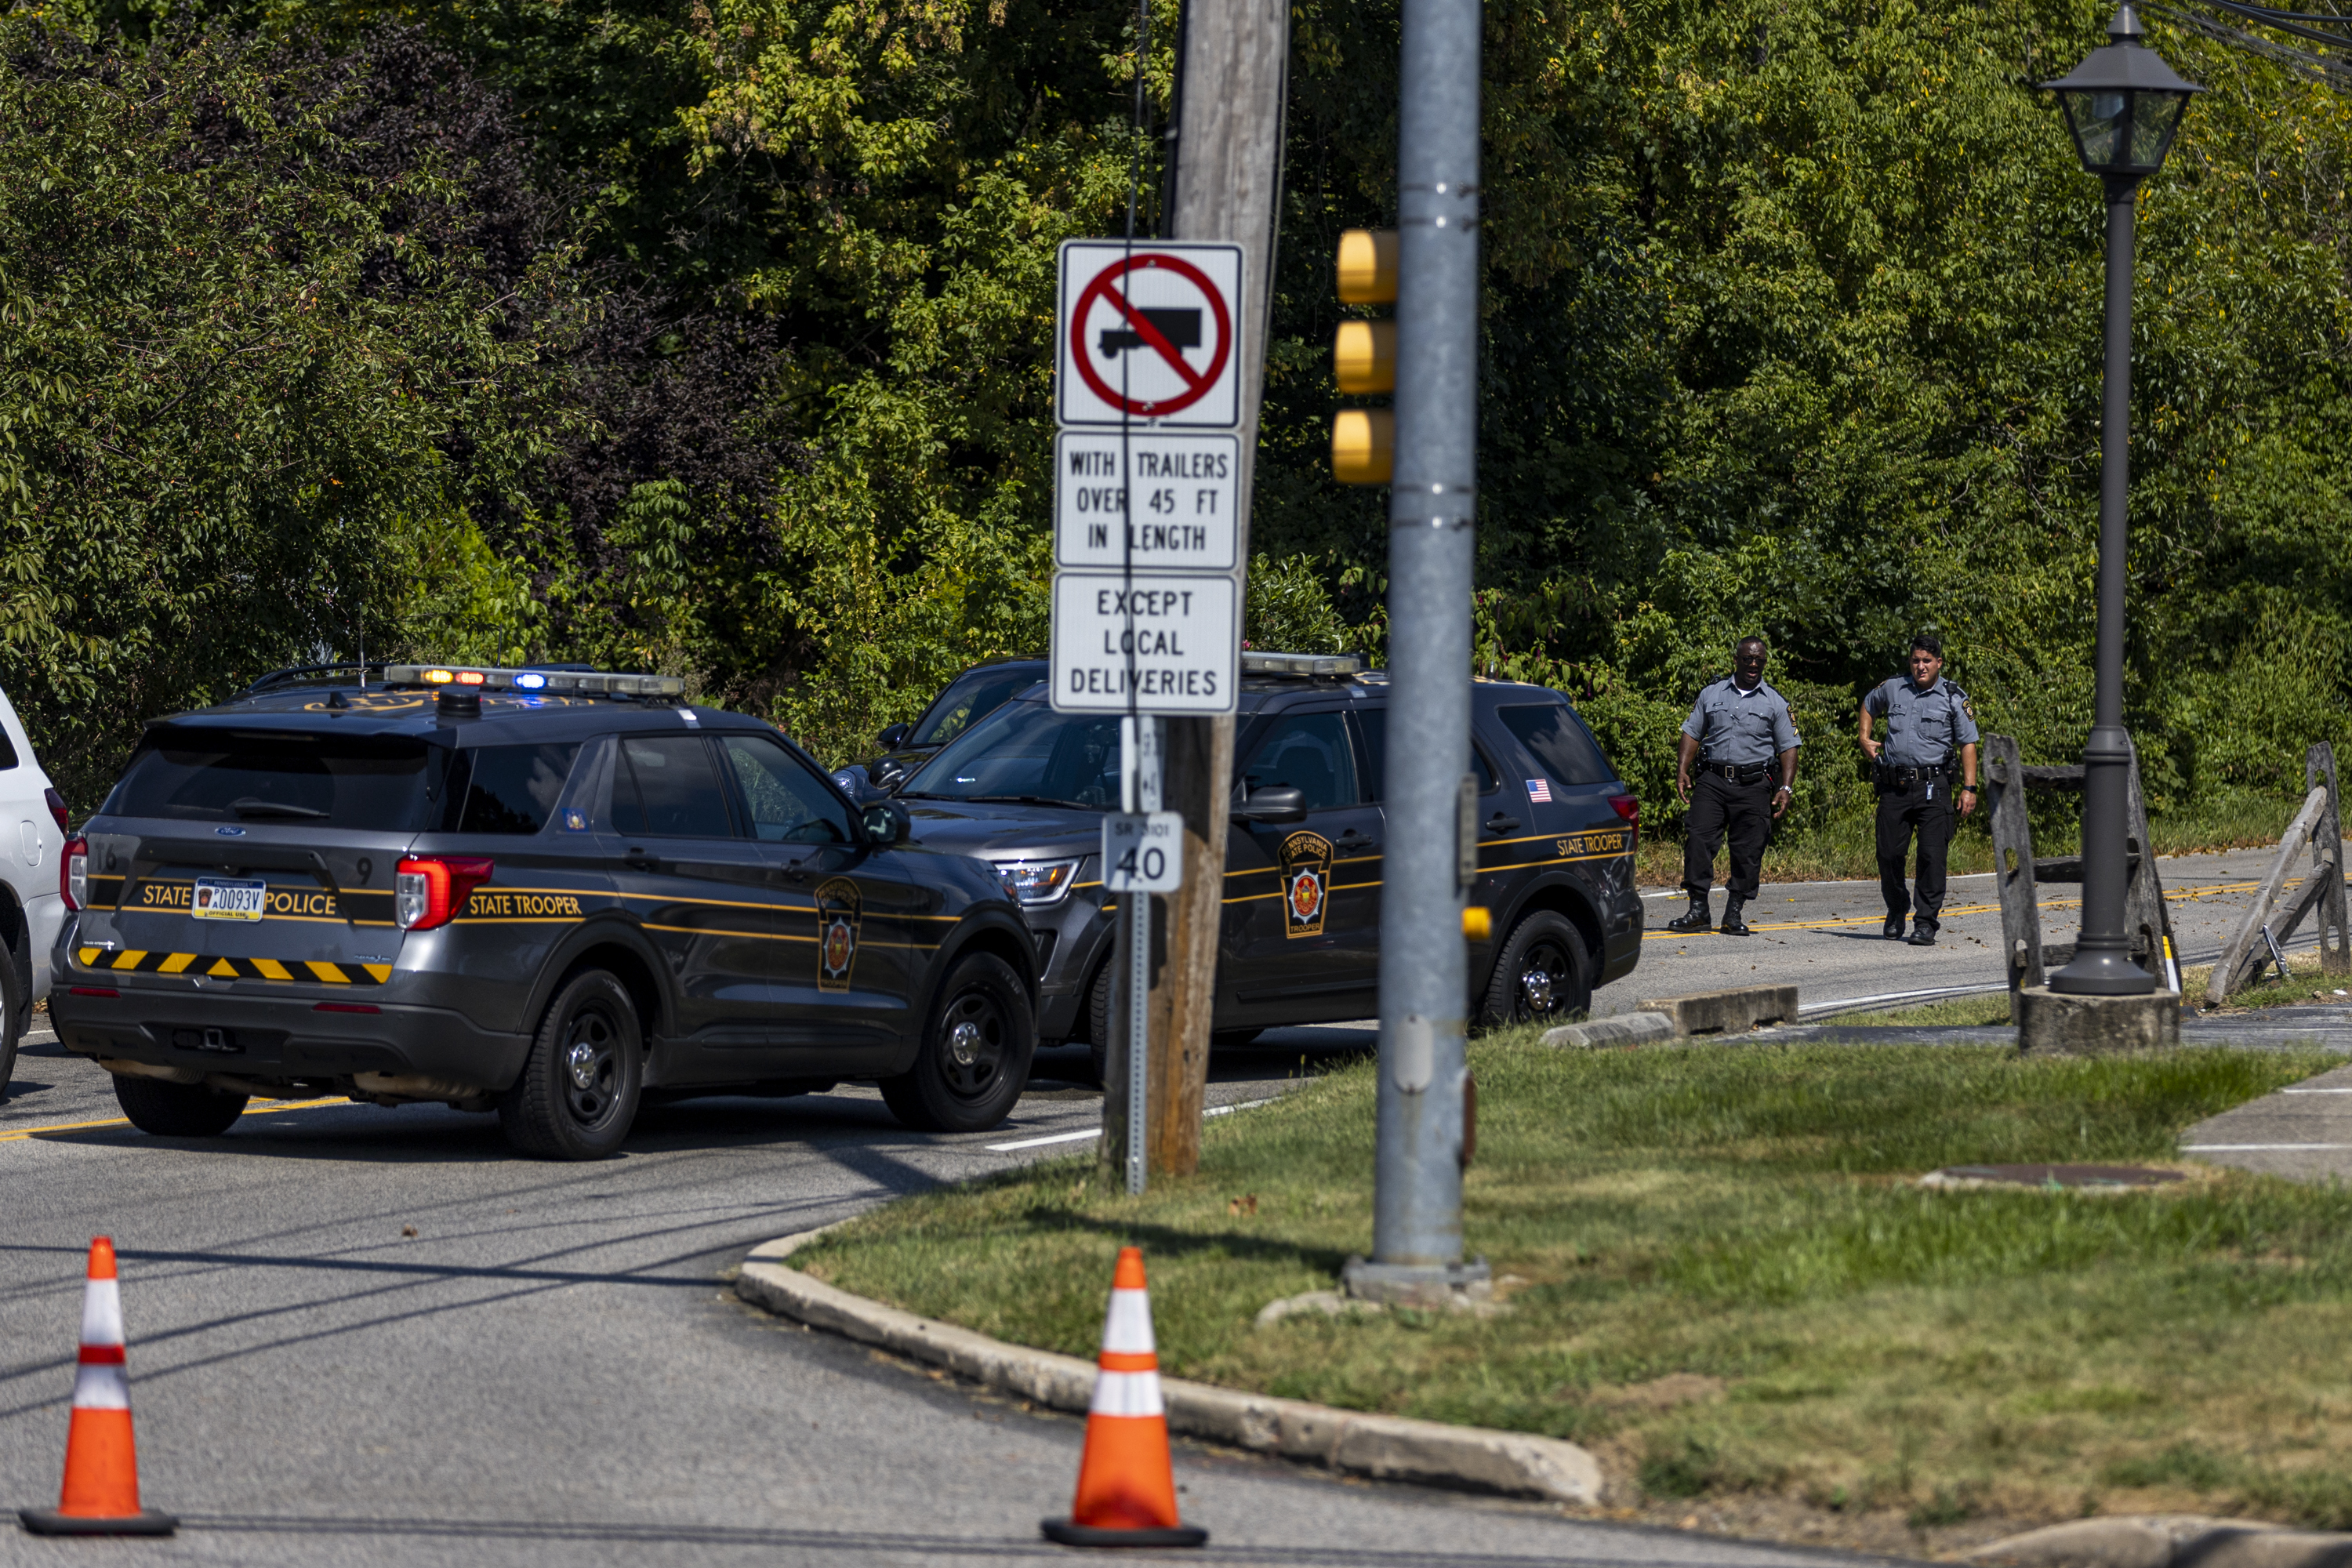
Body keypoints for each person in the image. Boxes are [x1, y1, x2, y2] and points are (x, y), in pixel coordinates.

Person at [1670, 637, 1800, 936]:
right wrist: (1682, 770)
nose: (1754, 665)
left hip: (1754, 785)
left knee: (1748, 850)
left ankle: (1734, 912)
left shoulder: (1775, 702)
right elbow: (1692, 732)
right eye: (1748, 659)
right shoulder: (1711, 693)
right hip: (1712, 781)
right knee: (1698, 839)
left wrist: (1786, 787)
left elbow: (1789, 747)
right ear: (1737, 660)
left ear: (1764, 663)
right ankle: (1698, 910)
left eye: (1759, 660)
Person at [1858, 634, 1980, 946]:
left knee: (1931, 856)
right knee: (1888, 854)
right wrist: (1864, 737)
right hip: (1894, 786)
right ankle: (1897, 908)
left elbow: (1968, 743)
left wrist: (1969, 787)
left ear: (1939, 662)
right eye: (1916, 660)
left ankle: (1925, 922)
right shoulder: (1894, 687)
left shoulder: (1954, 697)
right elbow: (1869, 704)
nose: (1920, 666)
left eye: (1927, 661)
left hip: (1933, 787)